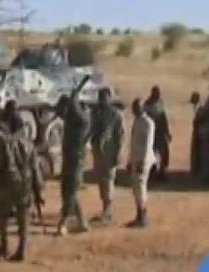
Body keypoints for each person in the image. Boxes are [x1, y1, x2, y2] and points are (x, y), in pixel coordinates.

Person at [0, 112, 43, 261]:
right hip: (25, 184)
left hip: (6, 184)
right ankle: (21, 250)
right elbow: (36, 170)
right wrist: (38, 192)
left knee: (1, 216)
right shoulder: (30, 145)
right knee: (23, 218)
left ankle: (4, 245)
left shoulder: (3, 144)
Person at [54, 91, 90, 236]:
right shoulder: (71, 121)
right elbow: (60, 112)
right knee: (67, 192)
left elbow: (78, 114)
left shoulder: (82, 121)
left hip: (76, 161)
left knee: (70, 193)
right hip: (68, 160)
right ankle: (82, 222)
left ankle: (62, 224)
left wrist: (73, 100)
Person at [88, 88, 125, 225]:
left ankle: (108, 212)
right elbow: (90, 130)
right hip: (98, 151)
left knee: (109, 181)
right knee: (101, 181)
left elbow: (120, 136)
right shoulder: (96, 113)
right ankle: (105, 209)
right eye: (100, 98)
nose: (102, 100)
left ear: (109, 98)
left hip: (110, 153)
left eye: (104, 98)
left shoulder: (115, 115)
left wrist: (118, 153)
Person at [126, 98, 156, 228]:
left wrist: (142, 162)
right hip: (136, 158)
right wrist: (130, 160)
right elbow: (133, 143)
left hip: (143, 160)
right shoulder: (137, 121)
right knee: (136, 187)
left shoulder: (148, 123)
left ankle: (143, 217)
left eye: (136, 108)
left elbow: (148, 144)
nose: (134, 110)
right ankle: (139, 216)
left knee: (140, 186)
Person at [143, 86, 172, 182]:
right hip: (151, 133)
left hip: (160, 132)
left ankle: (162, 172)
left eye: (158, 92)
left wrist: (167, 132)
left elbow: (163, 117)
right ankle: (152, 172)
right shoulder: (147, 104)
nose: (157, 94)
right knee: (151, 153)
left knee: (164, 153)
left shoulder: (160, 103)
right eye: (155, 92)